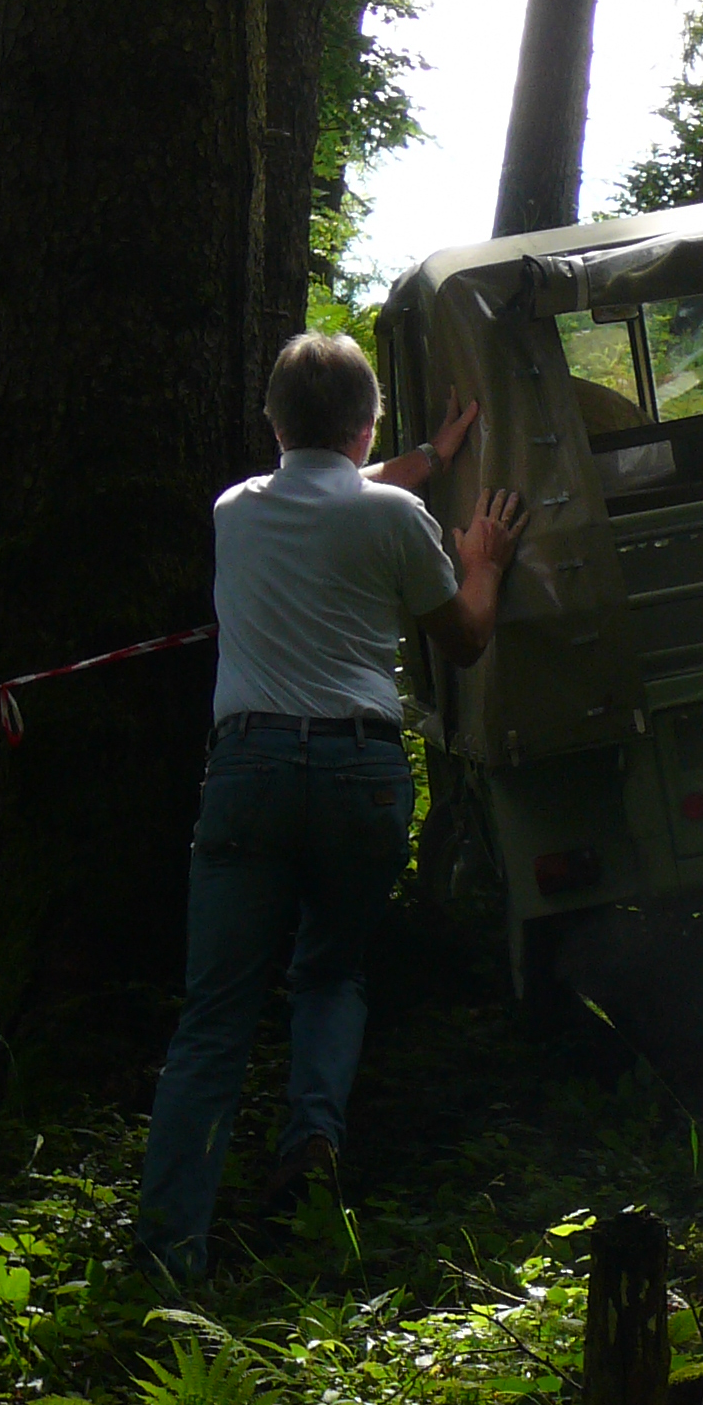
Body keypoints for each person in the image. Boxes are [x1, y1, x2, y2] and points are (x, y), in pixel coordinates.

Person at [136, 331, 525, 1279]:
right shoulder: (396, 519)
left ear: (273, 422)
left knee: (215, 1016)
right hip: (361, 771)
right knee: (331, 973)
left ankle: (169, 1250)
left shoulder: (236, 510)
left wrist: (422, 457)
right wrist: (483, 560)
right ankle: (311, 1144)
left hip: (250, 769)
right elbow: (466, 639)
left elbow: (328, 488)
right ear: (369, 425)